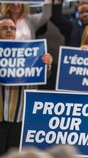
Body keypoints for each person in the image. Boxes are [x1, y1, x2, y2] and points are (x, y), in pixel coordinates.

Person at [0, 16, 53, 155]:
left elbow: (41, 77)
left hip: (19, 118)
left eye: (12, 28)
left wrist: (46, 65)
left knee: (14, 155)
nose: (9, 31)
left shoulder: (27, 52)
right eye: (4, 28)